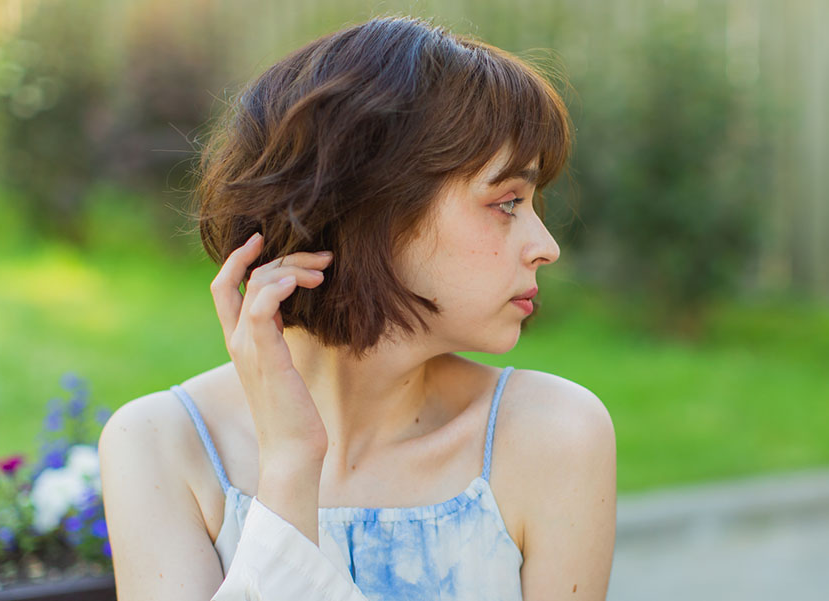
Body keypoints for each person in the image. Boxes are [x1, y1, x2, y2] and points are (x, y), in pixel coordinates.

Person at [99, 14, 616, 601]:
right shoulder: (163, 446)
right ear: (370, 210)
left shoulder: (552, 436)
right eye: (507, 202)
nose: (545, 247)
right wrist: (292, 464)